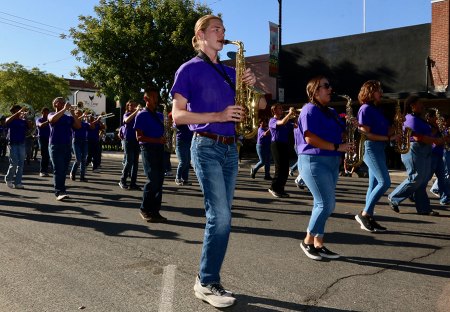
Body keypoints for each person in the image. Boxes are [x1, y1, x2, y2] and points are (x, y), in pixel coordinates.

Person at [171, 14, 264, 308]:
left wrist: (254, 83)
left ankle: (207, 278)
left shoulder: (229, 70)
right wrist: (218, 116)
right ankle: (207, 281)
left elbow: (261, 104)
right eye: (216, 29)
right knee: (220, 216)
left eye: (224, 29)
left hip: (230, 150)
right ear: (200, 35)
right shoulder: (189, 69)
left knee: (223, 217)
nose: (222, 33)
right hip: (206, 146)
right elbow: (178, 115)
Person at [298, 76, 353, 261]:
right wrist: (338, 147)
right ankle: (307, 241)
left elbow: (340, 133)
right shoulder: (309, 110)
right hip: (313, 161)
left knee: (320, 204)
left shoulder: (330, 111)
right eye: (326, 86)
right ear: (314, 91)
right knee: (326, 204)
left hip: (331, 162)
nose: (330, 89)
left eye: (330, 85)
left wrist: (348, 129)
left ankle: (318, 243)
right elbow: (310, 138)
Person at [354, 80, 398, 232]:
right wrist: (388, 138)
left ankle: (369, 216)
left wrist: (399, 125)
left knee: (373, 185)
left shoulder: (377, 110)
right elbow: (366, 134)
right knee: (384, 182)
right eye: (379, 90)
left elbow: (387, 131)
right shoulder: (365, 109)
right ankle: (364, 214)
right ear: (370, 92)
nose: (382, 93)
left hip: (380, 148)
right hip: (371, 148)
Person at [388, 95, 442, 216]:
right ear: (412, 106)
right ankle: (394, 197)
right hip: (414, 150)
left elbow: (427, 134)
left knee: (422, 181)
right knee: (416, 178)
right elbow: (418, 137)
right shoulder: (409, 119)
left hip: (424, 150)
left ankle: (424, 208)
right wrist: (435, 141)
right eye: (420, 103)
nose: (422, 106)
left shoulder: (419, 119)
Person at [134, 87, 167, 223]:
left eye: (156, 97)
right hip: (148, 149)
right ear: (146, 99)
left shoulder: (160, 115)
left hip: (160, 149)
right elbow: (139, 137)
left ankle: (155, 211)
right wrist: (156, 140)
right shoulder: (141, 115)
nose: (156, 99)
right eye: (153, 97)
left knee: (159, 181)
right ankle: (144, 209)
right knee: (152, 180)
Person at [48, 97, 81, 200]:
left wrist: (72, 113)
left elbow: (78, 126)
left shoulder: (68, 117)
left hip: (67, 145)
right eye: (61, 102)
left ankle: (62, 190)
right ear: (55, 104)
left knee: (64, 170)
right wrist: (64, 109)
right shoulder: (52, 114)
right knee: (58, 169)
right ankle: (59, 192)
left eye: (64, 102)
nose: (64, 104)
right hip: (55, 145)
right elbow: (52, 120)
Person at [268, 104, 295, 198]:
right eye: (279, 108)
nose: (282, 110)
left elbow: (295, 125)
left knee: (285, 168)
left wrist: (296, 116)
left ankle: (280, 189)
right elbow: (282, 122)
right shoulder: (272, 120)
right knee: (279, 167)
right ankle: (274, 188)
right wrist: (290, 114)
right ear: (274, 111)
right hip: (276, 144)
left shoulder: (286, 121)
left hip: (284, 144)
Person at [4, 105, 32, 188]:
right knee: (14, 163)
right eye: (17, 110)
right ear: (13, 111)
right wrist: (17, 114)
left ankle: (18, 182)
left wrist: (26, 118)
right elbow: (6, 122)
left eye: (20, 110)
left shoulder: (23, 120)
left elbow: (30, 127)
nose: (20, 112)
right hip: (12, 143)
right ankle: (8, 179)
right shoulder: (10, 119)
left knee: (21, 164)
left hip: (22, 143)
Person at [119, 100, 141, 190]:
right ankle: (122, 180)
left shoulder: (138, 115)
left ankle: (133, 183)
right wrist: (136, 111)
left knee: (135, 163)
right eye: (130, 105)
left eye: (134, 105)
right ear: (128, 107)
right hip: (128, 140)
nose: (132, 107)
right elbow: (127, 121)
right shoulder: (126, 114)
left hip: (136, 140)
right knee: (129, 161)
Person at [70, 109, 90, 182]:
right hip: (76, 141)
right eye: (77, 113)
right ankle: (73, 173)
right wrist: (80, 116)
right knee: (78, 159)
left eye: (80, 113)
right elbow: (76, 126)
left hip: (84, 141)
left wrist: (87, 118)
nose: (79, 115)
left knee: (84, 160)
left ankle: (82, 176)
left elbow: (92, 127)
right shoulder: (73, 121)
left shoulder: (84, 123)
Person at [36, 107, 51, 177]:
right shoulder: (39, 119)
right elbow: (40, 125)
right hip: (42, 138)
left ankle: (46, 170)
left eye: (48, 113)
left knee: (48, 155)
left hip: (49, 138)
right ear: (42, 113)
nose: (47, 114)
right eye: (45, 112)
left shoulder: (49, 120)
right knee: (44, 154)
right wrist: (48, 121)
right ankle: (42, 171)